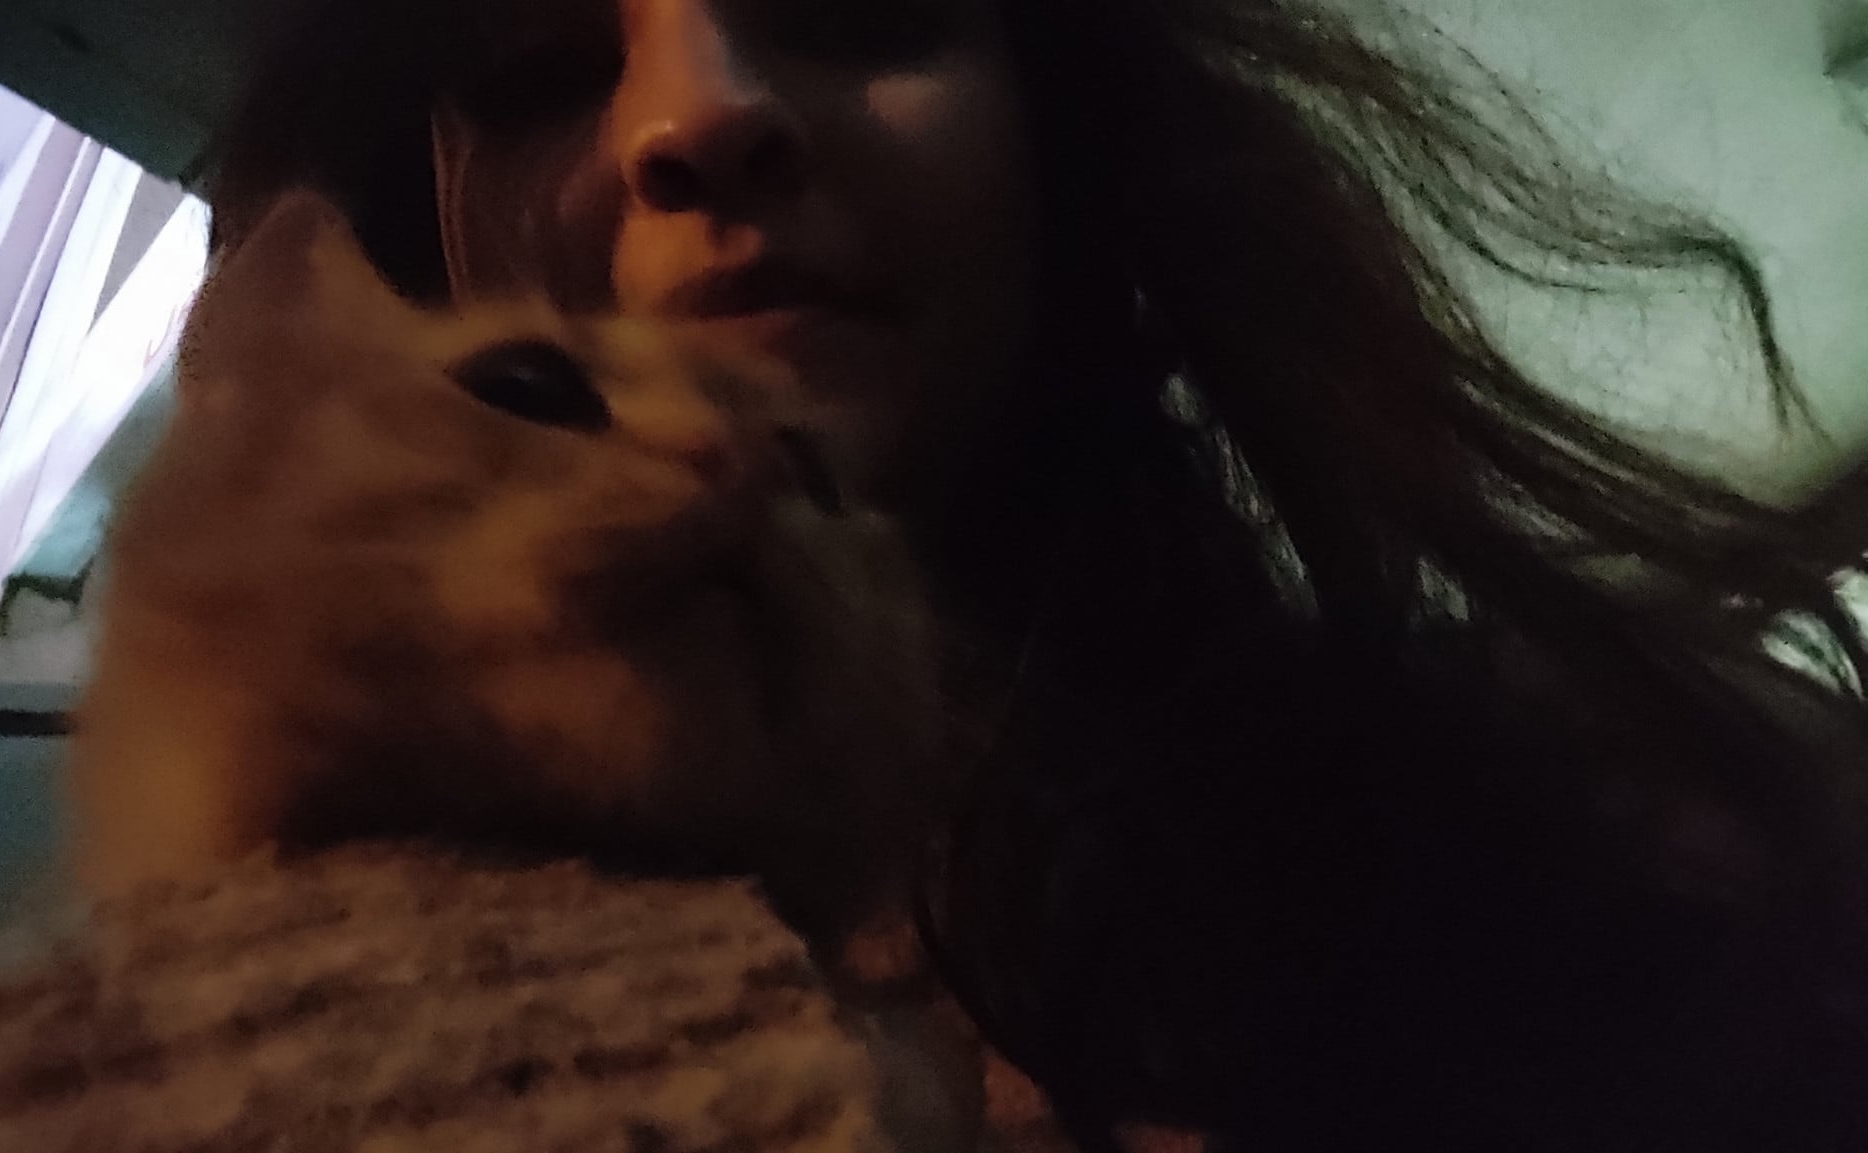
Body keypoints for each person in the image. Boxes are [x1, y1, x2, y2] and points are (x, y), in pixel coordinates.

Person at [207, 0, 1868, 1149]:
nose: (695, 108)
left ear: (1059, 124)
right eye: (538, 61)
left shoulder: (1633, 815)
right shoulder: (232, 1034)